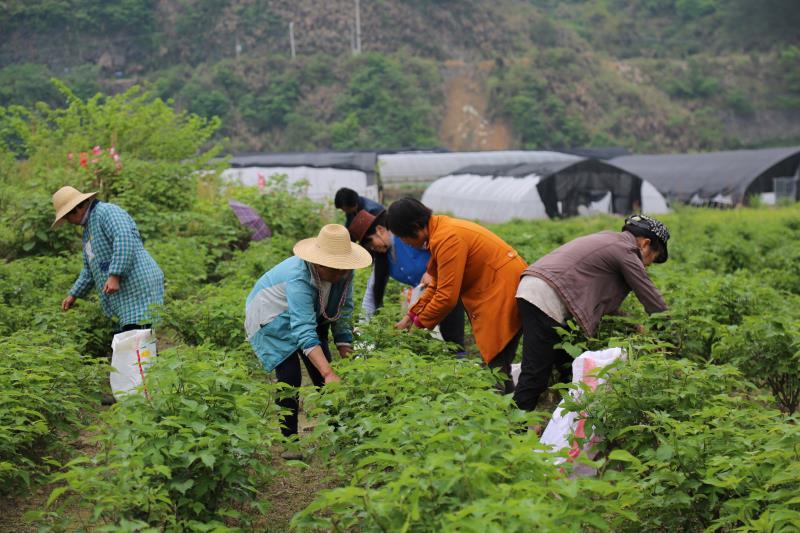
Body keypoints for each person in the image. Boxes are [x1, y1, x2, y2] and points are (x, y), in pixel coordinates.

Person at [514, 214, 670, 412]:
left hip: (538, 289)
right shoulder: (626, 251)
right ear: (646, 244)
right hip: (546, 297)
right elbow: (652, 298)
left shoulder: (609, 241)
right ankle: (514, 433)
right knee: (535, 373)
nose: (647, 265)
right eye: (652, 259)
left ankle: (565, 424)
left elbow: (609, 309)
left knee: (569, 367)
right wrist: (669, 335)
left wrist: (635, 326)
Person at [245, 224, 372, 439]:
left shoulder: (344, 274)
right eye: (335, 268)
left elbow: (343, 310)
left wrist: (347, 352)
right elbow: (304, 329)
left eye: (344, 268)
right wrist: (328, 372)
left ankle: (339, 432)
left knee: (324, 372)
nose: (341, 273)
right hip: (272, 318)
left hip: (311, 314)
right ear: (318, 263)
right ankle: (290, 440)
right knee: (290, 376)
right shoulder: (299, 277)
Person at [387, 198, 527, 392]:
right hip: (496, 289)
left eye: (403, 237)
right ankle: (517, 412)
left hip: (502, 291)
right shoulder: (440, 231)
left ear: (416, 227)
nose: (405, 243)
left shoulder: (447, 237)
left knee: (496, 367)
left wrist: (420, 325)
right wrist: (411, 316)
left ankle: (517, 415)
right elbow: (437, 283)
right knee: (497, 366)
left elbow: (447, 296)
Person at [348, 208, 465, 352]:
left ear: (380, 230)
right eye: (369, 247)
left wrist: (433, 272)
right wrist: (363, 328)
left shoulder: (406, 236)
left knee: (453, 342)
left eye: (371, 243)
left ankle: (461, 363)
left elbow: (441, 247)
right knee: (430, 345)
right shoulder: (383, 259)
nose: (373, 248)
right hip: (425, 300)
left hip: (446, 291)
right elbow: (371, 294)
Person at [53, 186, 164, 333]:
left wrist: (114, 275)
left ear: (76, 209)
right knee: (133, 340)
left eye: (67, 217)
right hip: (125, 292)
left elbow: (123, 239)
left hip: (137, 286)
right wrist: (74, 294)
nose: (68, 221)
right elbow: (89, 269)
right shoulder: (88, 230)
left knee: (138, 337)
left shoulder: (106, 212)